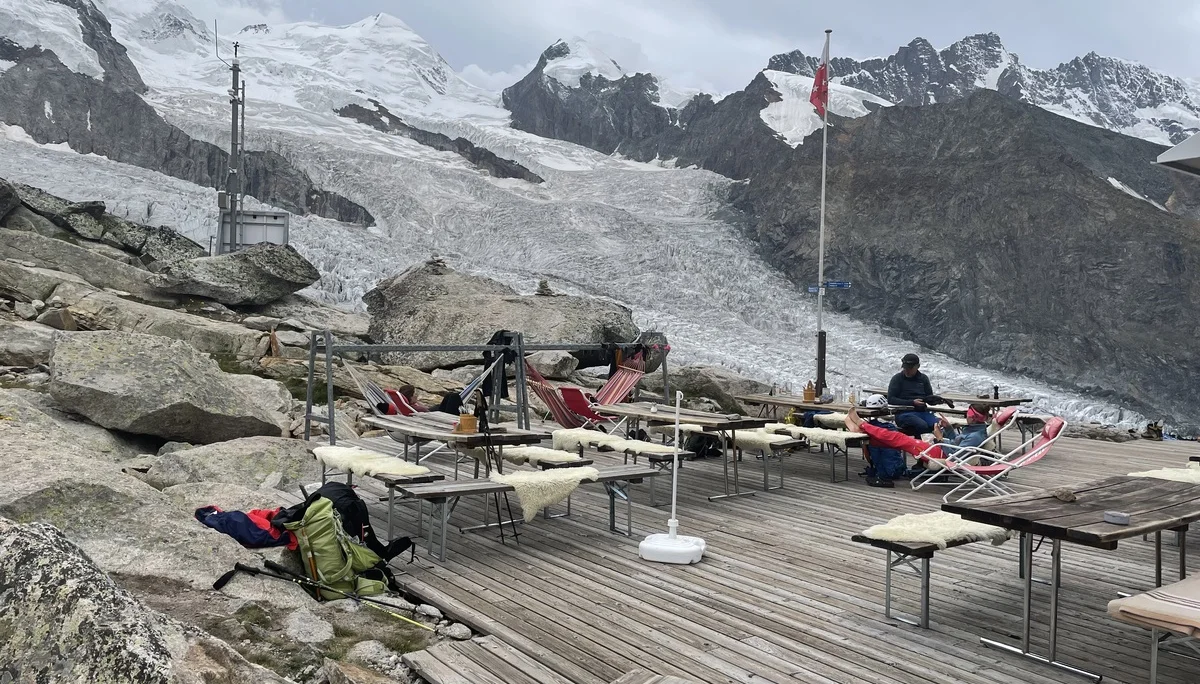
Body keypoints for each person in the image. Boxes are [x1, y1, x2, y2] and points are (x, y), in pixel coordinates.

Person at [887, 353, 938, 436]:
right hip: (903, 413)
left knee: (938, 425)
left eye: (910, 368)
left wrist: (934, 400)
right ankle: (920, 446)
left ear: (917, 366)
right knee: (922, 426)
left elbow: (929, 397)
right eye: (905, 368)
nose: (907, 370)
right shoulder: (897, 379)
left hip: (922, 412)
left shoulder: (923, 379)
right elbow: (891, 399)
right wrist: (912, 402)